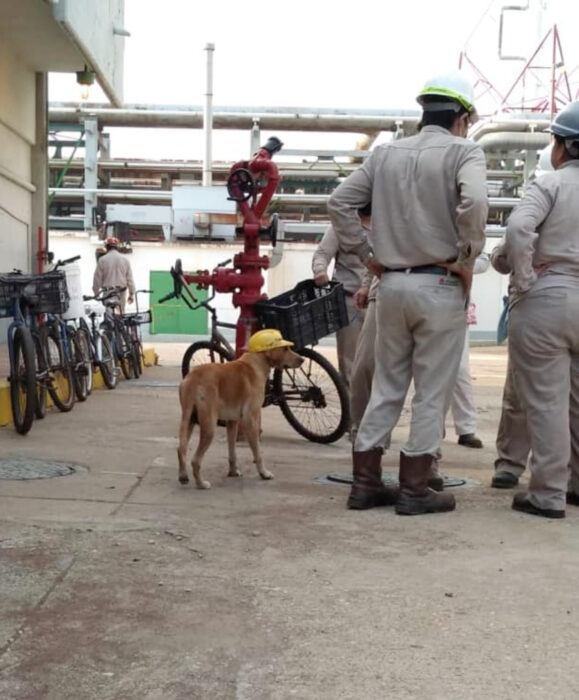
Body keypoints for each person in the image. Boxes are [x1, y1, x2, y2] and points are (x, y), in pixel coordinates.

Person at [328, 71, 488, 515]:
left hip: (392, 283)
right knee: (432, 390)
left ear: (425, 111)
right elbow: (474, 202)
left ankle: (366, 485)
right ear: (462, 116)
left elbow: (340, 201)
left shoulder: (385, 154)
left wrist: (367, 254)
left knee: (387, 386)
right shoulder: (464, 151)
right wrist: (467, 255)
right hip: (438, 283)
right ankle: (415, 489)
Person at [502, 100, 579, 518]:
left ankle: (548, 494)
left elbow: (518, 228)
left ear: (564, 146)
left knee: (548, 402)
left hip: (549, 298)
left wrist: (526, 276)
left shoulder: (550, 184)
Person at [312, 204, 370, 388]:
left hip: (379, 302)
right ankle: (353, 413)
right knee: (349, 364)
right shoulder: (342, 226)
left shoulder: (387, 226)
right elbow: (322, 253)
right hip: (349, 301)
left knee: (378, 362)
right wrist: (320, 271)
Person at [446, 253, 490, 449]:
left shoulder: (466, 231)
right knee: (425, 371)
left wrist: (458, 265)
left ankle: (466, 429)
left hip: (455, 306)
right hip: (426, 301)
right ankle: (433, 426)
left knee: (460, 371)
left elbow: (484, 261)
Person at [92, 236, 135, 313]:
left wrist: (96, 293)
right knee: (120, 315)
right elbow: (130, 280)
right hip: (121, 293)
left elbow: (97, 279)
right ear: (117, 247)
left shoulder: (102, 260)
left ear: (106, 247)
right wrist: (131, 294)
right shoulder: (125, 260)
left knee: (109, 315)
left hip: (108, 293)